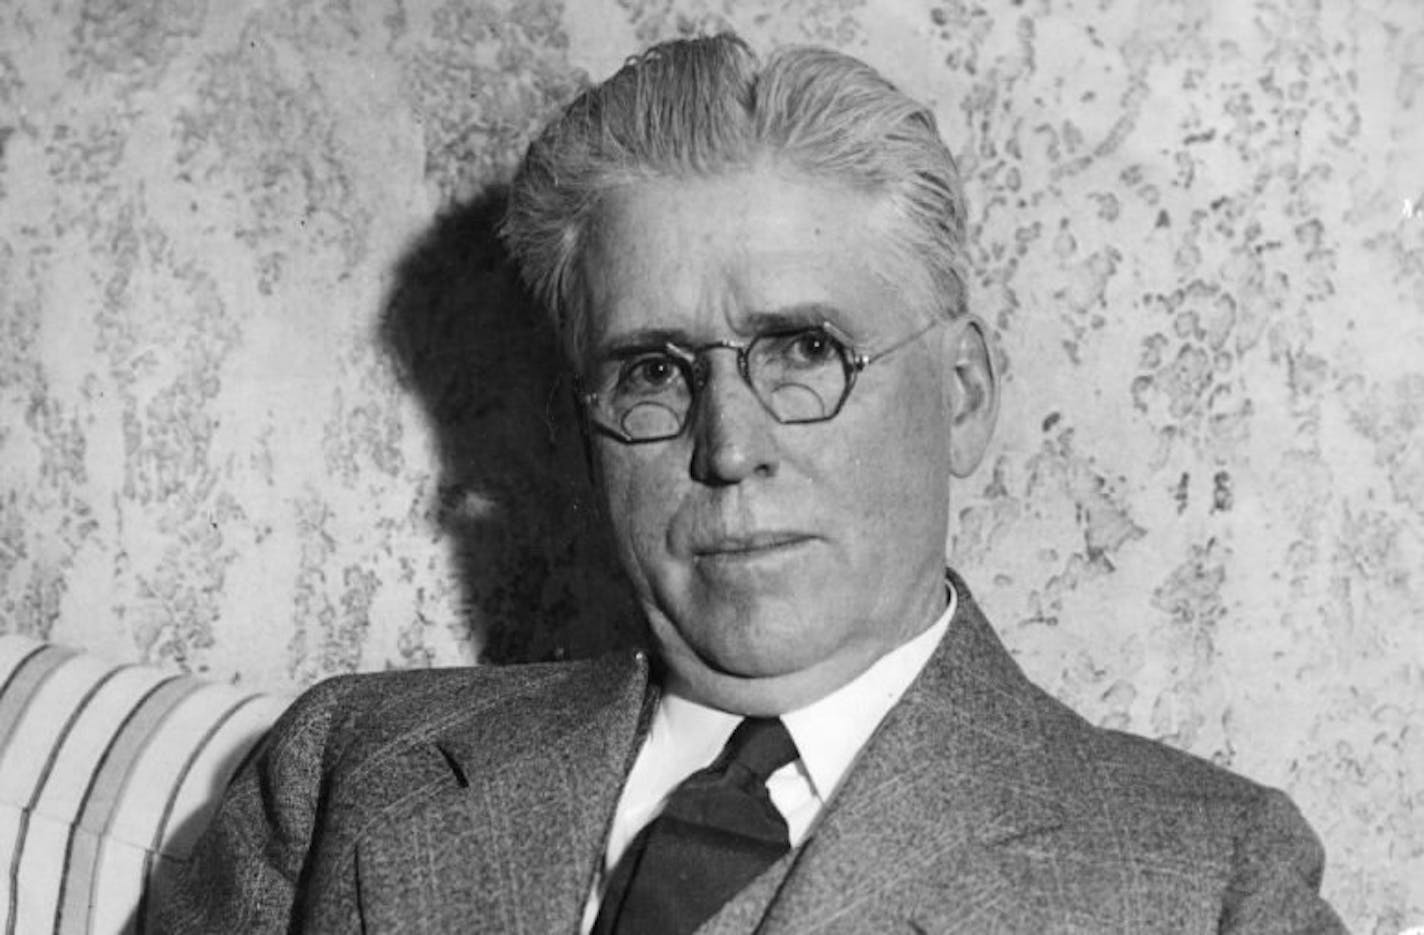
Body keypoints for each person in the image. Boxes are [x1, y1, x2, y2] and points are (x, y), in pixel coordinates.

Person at [157, 33, 1345, 933]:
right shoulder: (347, 774)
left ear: (966, 396)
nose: (728, 446)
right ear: (586, 441)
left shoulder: (1208, 880)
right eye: (653, 372)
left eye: (804, 351)